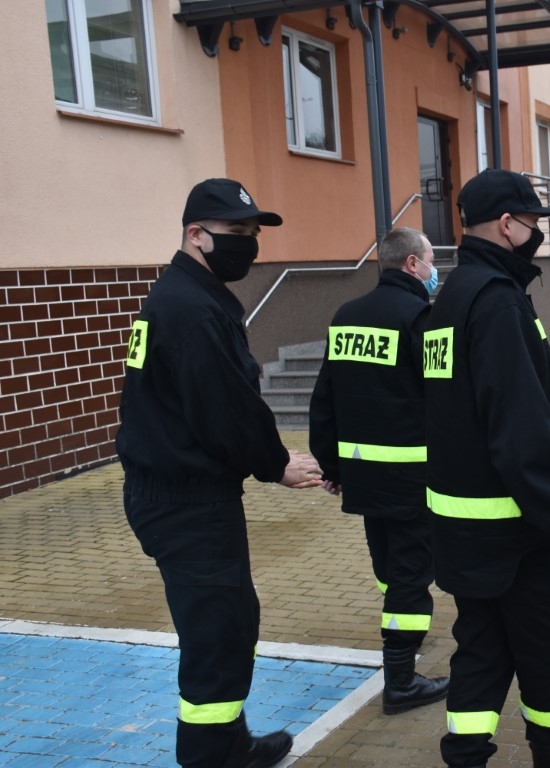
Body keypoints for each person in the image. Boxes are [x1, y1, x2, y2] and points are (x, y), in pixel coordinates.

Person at [423, 169, 550, 768]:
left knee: (481, 650)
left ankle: (464, 757)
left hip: (462, 529)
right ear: (507, 225)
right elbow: (523, 437)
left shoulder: (450, 299)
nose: (538, 231)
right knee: (545, 652)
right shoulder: (497, 304)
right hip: (516, 533)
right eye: (534, 221)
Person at [117, 178, 324, 768]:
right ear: (195, 234)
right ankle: (213, 758)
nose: (248, 245)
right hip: (186, 502)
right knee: (217, 637)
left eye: (252, 234)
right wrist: (276, 464)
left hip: (183, 494)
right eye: (237, 233)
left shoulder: (184, 297)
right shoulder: (191, 309)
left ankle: (230, 745)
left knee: (229, 624)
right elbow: (226, 408)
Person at [308, 226, 449, 715]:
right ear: (412, 264)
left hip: (364, 476)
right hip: (413, 478)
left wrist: (332, 464)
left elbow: (324, 398)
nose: (435, 271)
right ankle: (402, 680)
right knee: (411, 574)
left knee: (389, 566)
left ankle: (401, 639)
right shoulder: (423, 317)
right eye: (430, 261)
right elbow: (443, 401)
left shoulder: (347, 315)